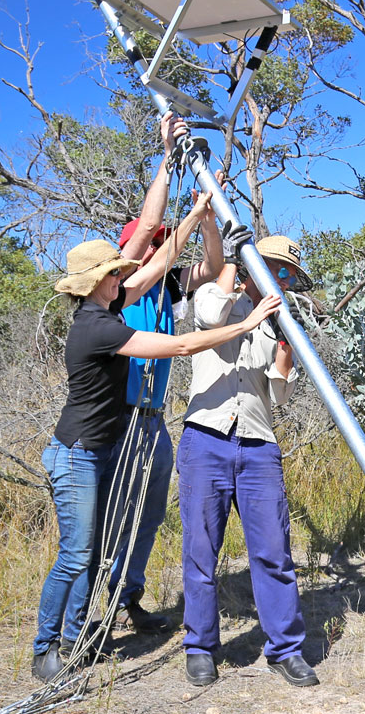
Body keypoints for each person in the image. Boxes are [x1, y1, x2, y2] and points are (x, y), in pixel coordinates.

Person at [33, 235, 281, 683]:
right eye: (114, 273)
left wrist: (199, 214)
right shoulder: (99, 325)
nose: (122, 277)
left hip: (97, 451)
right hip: (76, 454)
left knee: (92, 549)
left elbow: (154, 265)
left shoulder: (105, 308)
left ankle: (75, 639)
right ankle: (46, 647)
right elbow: (183, 347)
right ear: (97, 282)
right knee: (75, 555)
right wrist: (247, 326)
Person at [176, 234, 318, 689]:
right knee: (201, 552)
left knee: (274, 552)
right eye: (272, 268)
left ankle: (286, 650)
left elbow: (278, 393)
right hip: (206, 438)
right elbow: (209, 315)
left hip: (257, 445)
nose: (278, 279)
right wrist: (234, 265)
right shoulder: (218, 297)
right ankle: (200, 648)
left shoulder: (282, 322)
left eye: (284, 274)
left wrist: (285, 347)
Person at [103, 132, 228, 634]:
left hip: (153, 422)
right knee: (111, 518)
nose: (159, 253)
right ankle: (96, 610)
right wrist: (189, 205)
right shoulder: (118, 292)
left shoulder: (166, 289)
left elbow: (215, 268)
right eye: (152, 246)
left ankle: (129, 597)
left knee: (150, 515)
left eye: (161, 247)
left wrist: (210, 219)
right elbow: (152, 234)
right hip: (118, 419)